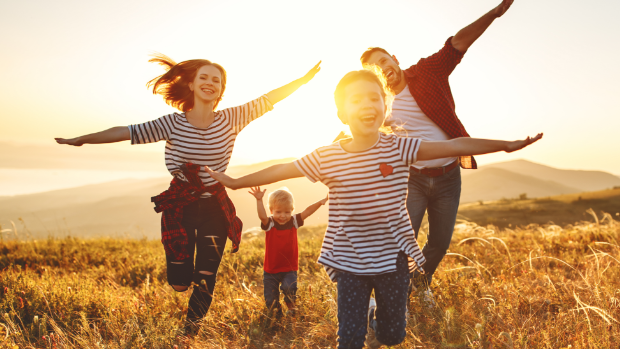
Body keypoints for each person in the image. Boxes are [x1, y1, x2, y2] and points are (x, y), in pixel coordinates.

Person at [204, 69, 542, 348]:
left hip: (393, 258)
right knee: (349, 340)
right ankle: (361, 318)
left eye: (374, 97)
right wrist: (236, 181)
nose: (367, 104)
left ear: (385, 105)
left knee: (392, 336)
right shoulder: (328, 156)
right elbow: (284, 168)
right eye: (356, 100)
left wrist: (506, 145)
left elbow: (453, 145)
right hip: (348, 258)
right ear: (341, 113)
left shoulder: (399, 147)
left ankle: (376, 317)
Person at [55, 54, 321, 333]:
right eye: (203, 78)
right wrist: (83, 139)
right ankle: (182, 275)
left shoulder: (232, 118)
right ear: (192, 85)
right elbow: (126, 131)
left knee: (207, 275)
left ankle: (189, 333)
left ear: (221, 90)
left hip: (215, 207)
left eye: (216, 80)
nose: (210, 83)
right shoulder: (172, 123)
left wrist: (302, 81)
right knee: (180, 283)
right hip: (180, 205)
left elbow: (269, 99)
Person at [359, 0, 515, 301]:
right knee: (403, 241)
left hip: (448, 177)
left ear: (393, 58)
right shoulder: (380, 104)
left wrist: (494, 14)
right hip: (412, 180)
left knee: (440, 242)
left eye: (383, 61)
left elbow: (457, 44)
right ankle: (393, 294)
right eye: (375, 70)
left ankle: (419, 283)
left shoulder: (427, 71)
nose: (383, 69)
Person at [248, 187, 327, 317]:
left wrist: (321, 202)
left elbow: (307, 211)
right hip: (271, 270)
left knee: (290, 287)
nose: (283, 216)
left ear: (292, 211)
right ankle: (276, 316)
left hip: (289, 268)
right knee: (270, 300)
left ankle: (291, 307)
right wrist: (259, 200)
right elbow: (262, 216)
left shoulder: (293, 221)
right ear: (271, 211)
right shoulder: (270, 223)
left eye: (287, 212)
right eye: (278, 212)